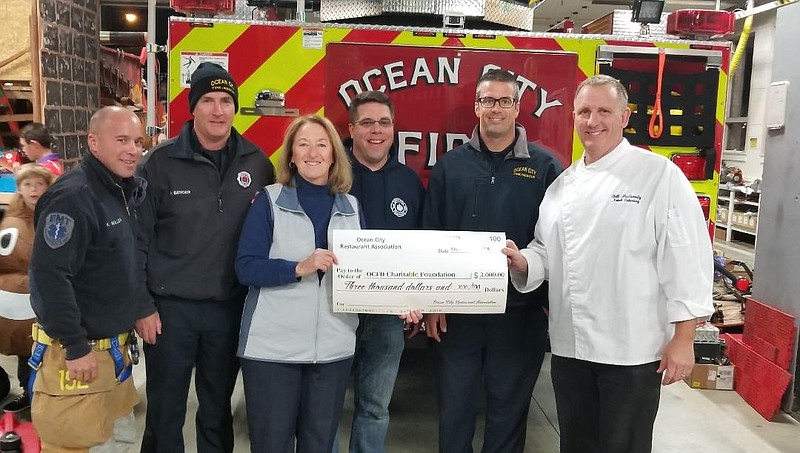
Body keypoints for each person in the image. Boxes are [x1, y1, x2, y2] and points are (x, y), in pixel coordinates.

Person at [504, 74, 714, 453]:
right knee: (576, 442)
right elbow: (546, 250)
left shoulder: (657, 175)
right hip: (571, 347)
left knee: (624, 445)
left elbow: (687, 257)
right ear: (573, 117)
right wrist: (523, 262)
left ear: (625, 116)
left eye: (604, 111)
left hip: (632, 350)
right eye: (584, 111)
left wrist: (684, 339)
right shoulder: (563, 185)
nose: (592, 120)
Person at [136, 62, 275, 453]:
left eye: (226, 100)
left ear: (235, 107)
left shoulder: (257, 163)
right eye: (209, 100)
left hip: (227, 310)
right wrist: (142, 307)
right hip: (169, 312)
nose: (218, 110)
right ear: (192, 108)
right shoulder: (158, 164)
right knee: (165, 411)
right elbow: (137, 242)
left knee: (216, 410)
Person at [423, 69, 563, 453]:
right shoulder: (450, 166)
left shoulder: (546, 166)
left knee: (508, 411)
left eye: (504, 101)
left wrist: (551, 305)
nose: (495, 109)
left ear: (518, 108)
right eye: (488, 100)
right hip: (458, 314)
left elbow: (559, 243)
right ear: (476, 106)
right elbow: (432, 234)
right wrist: (433, 302)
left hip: (519, 314)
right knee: (454, 409)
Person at [235, 115, 361, 452]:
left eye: (322, 144)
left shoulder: (352, 207)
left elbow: (367, 273)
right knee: (272, 444)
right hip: (272, 352)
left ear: (334, 154)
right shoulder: (269, 201)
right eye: (303, 144)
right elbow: (245, 268)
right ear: (291, 155)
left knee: (318, 445)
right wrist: (298, 267)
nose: (312, 152)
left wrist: (400, 303)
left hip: (333, 350)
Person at [28, 106, 150, 450]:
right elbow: (50, 277)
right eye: (122, 140)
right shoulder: (73, 198)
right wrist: (75, 345)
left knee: (116, 442)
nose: (133, 150)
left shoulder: (119, 192)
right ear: (93, 143)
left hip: (112, 357)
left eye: (137, 141)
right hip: (79, 361)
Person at [340, 91, 425, 452]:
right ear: (351, 128)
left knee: (376, 409)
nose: (377, 131)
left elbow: (421, 249)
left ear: (394, 129)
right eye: (367, 123)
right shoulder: (331, 176)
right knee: (323, 404)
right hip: (335, 313)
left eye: (385, 123)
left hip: (389, 316)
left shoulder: (409, 182)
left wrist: (418, 300)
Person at [0, 164, 54, 413]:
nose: (33, 190)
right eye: (27, 184)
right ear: (19, 189)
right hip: (21, 307)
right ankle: (28, 392)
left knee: (49, 355)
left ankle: (47, 397)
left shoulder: (55, 216)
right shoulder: (10, 222)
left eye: (39, 184)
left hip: (48, 303)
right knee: (26, 353)